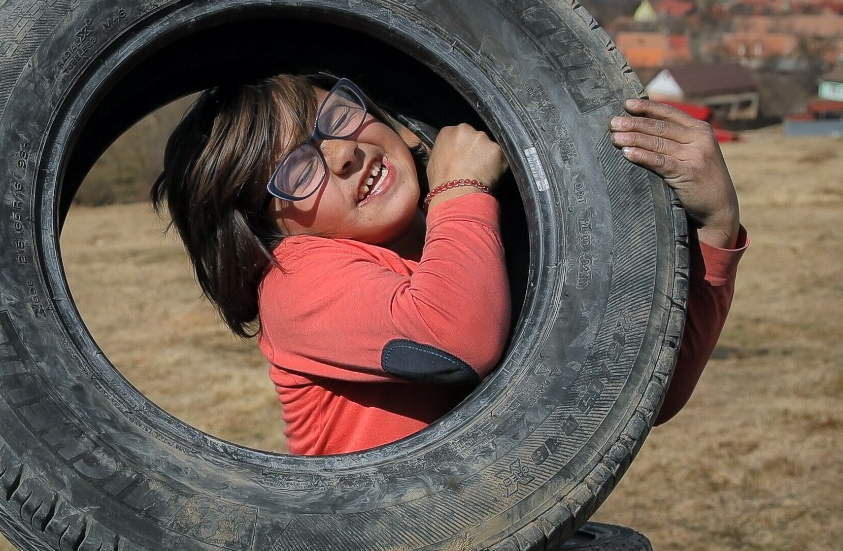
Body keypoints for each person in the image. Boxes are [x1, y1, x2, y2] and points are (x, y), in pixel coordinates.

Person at [152, 72, 747, 456]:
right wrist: (461, 186)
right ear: (264, 227)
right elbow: (456, 339)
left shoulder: (468, 237)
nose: (342, 153)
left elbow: (636, 391)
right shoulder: (295, 280)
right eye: (297, 171)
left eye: (332, 116)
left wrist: (717, 226)